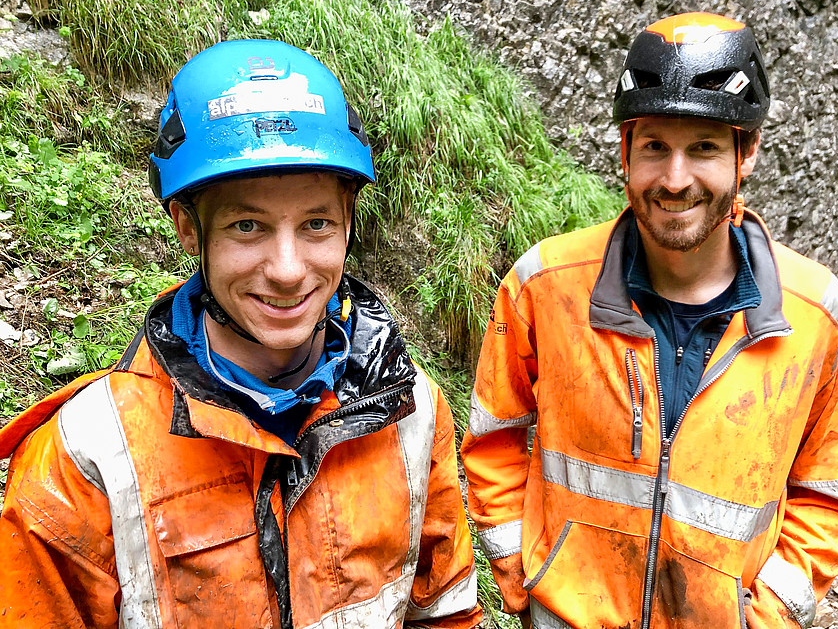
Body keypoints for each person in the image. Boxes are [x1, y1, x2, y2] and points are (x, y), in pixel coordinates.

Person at [0, 40, 482, 629]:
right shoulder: (89, 453)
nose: (288, 270)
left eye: (317, 224)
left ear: (349, 224)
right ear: (188, 228)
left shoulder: (408, 408)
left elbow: (442, 613)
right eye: (247, 226)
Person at [461, 12, 838, 629]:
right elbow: (493, 440)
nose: (675, 180)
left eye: (703, 147)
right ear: (626, 151)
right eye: (656, 146)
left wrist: (767, 618)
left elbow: (833, 491)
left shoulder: (817, 314)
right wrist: (520, 579)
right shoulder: (544, 286)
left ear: (746, 152)